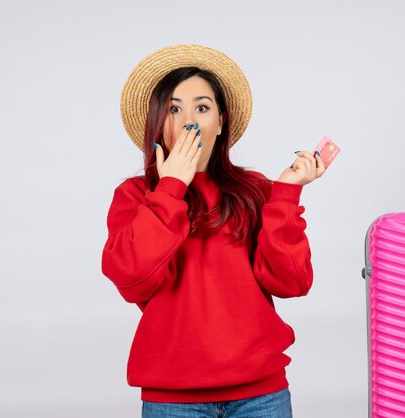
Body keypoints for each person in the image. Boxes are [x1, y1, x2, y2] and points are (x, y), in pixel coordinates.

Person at [102, 44, 326, 418]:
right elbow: (130, 276)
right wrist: (170, 187)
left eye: (202, 108)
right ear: (158, 122)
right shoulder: (135, 195)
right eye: (174, 109)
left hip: (262, 395)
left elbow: (293, 282)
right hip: (172, 399)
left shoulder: (254, 190)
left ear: (221, 122)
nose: (189, 120)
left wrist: (286, 192)